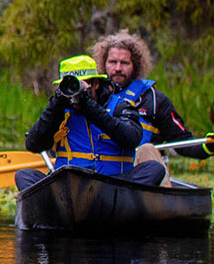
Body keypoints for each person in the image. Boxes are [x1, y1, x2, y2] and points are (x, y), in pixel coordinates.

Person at [16, 54, 166, 191]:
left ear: (96, 84)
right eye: (70, 86)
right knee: (24, 175)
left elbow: (131, 139)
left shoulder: (120, 106)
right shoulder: (59, 110)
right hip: (69, 187)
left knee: (154, 168)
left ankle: (122, 206)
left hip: (114, 186)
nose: (75, 93)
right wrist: (55, 104)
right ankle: (54, 208)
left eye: (82, 85)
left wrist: (88, 105)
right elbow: (34, 144)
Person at [92, 30, 214, 163]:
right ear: (103, 64)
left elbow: (181, 141)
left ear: (135, 65)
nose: (118, 68)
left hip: (144, 171)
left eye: (124, 63)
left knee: (146, 150)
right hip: (103, 171)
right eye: (112, 62)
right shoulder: (92, 96)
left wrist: (207, 146)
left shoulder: (155, 100)